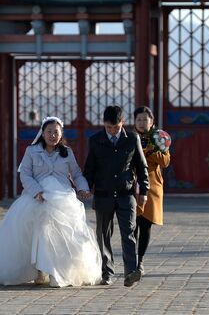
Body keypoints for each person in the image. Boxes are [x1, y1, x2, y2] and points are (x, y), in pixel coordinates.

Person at [0, 116, 101, 288]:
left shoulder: (67, 152)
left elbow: (76, 173)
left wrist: (82, 188)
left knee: (62, 236)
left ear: (61, 134)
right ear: (42, 133)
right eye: (49, 132)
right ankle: (41, 269)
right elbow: (25, 174)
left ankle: (56, 271)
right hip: (38, 197)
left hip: (63, 199)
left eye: (56, 132)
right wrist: (36, 191)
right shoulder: (32, 151)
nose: (52, 135)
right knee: (40, 233)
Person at [83, 105, 149, 287]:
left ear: (123, 123)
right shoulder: (95, 140)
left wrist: (143, 191)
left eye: (116, 127)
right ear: (103, 124)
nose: (112, 131)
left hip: (125, 194)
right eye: (109, 127)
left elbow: (142, 167)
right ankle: (107, 273)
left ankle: (130, 272)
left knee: (128, 233)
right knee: (103, 235)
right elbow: (90, 169)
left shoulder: (132, 139)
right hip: (103, 195)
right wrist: (85, 189)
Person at [133, 106, 171, 275]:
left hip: (152, 186)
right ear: (134, 122)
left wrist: (150, 151)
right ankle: (131, 259)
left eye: (145, 119)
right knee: (131, 225)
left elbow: (165, 161)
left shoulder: (159, 138)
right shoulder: (129, 137)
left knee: (145, 224)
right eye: (139, 120)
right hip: (132, 185)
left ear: (152, 121)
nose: (142, 123)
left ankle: (140, 260)